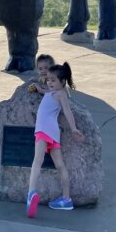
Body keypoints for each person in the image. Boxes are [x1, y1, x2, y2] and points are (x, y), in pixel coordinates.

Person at [26, 62, 83, 216]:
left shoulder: (61, 94)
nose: (49, 82)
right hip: (53, 133)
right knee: (59, 165)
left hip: (44, 130)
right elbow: (45, 91)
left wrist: (73, 129)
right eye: (48, 79)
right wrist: (38, 89)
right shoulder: (52, 92)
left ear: (62, 82)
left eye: (53, 80)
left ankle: (31, 193)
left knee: (37, 161)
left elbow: (67, 111)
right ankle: (66, 199)